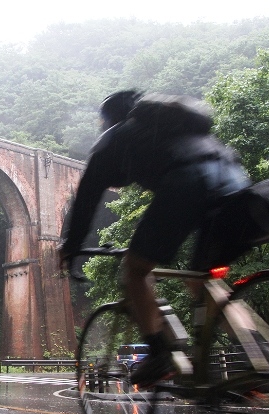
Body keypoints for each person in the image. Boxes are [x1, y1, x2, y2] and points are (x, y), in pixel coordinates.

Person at [58, 90, 250, 388]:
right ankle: (260, 359)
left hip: (189, 183)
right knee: (202, 281)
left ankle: (159, 355)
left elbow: (86, 199)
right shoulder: (175, 131)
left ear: (110, 119)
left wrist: (71, 246)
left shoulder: (116, 136)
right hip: (234, 181)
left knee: (136, 270)